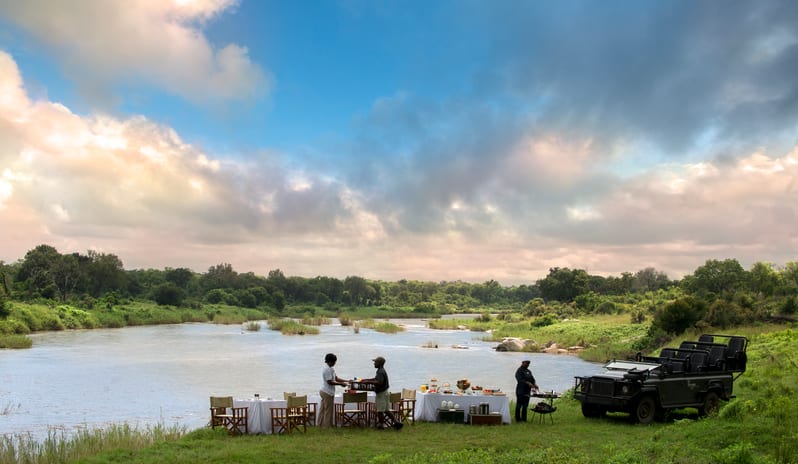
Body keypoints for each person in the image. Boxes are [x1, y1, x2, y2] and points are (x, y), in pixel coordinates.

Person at [360, 356, 403, 430]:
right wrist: (367, 379)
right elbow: (376, 379)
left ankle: (381, 425)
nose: (374, 364)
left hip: (381, 393)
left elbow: (379, 382)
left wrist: (368, 382)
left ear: (379, 363)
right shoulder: (381, 370)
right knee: (386, 410)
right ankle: (396, 422)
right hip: (385, 392)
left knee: (380, 410)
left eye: (375, 362)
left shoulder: (380, 371)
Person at [320, 353, 349, 428]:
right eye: (334, 362)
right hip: (327, 392)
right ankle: (327, 426)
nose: (335, 363)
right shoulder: (327, 369)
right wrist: (340, 384)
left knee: (323, 409)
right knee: (328, 410)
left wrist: (347, 381)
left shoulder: (331, 369)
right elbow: (329, 381)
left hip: (325, 391)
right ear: (330, 361)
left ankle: (320, 424)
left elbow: (336, 378)